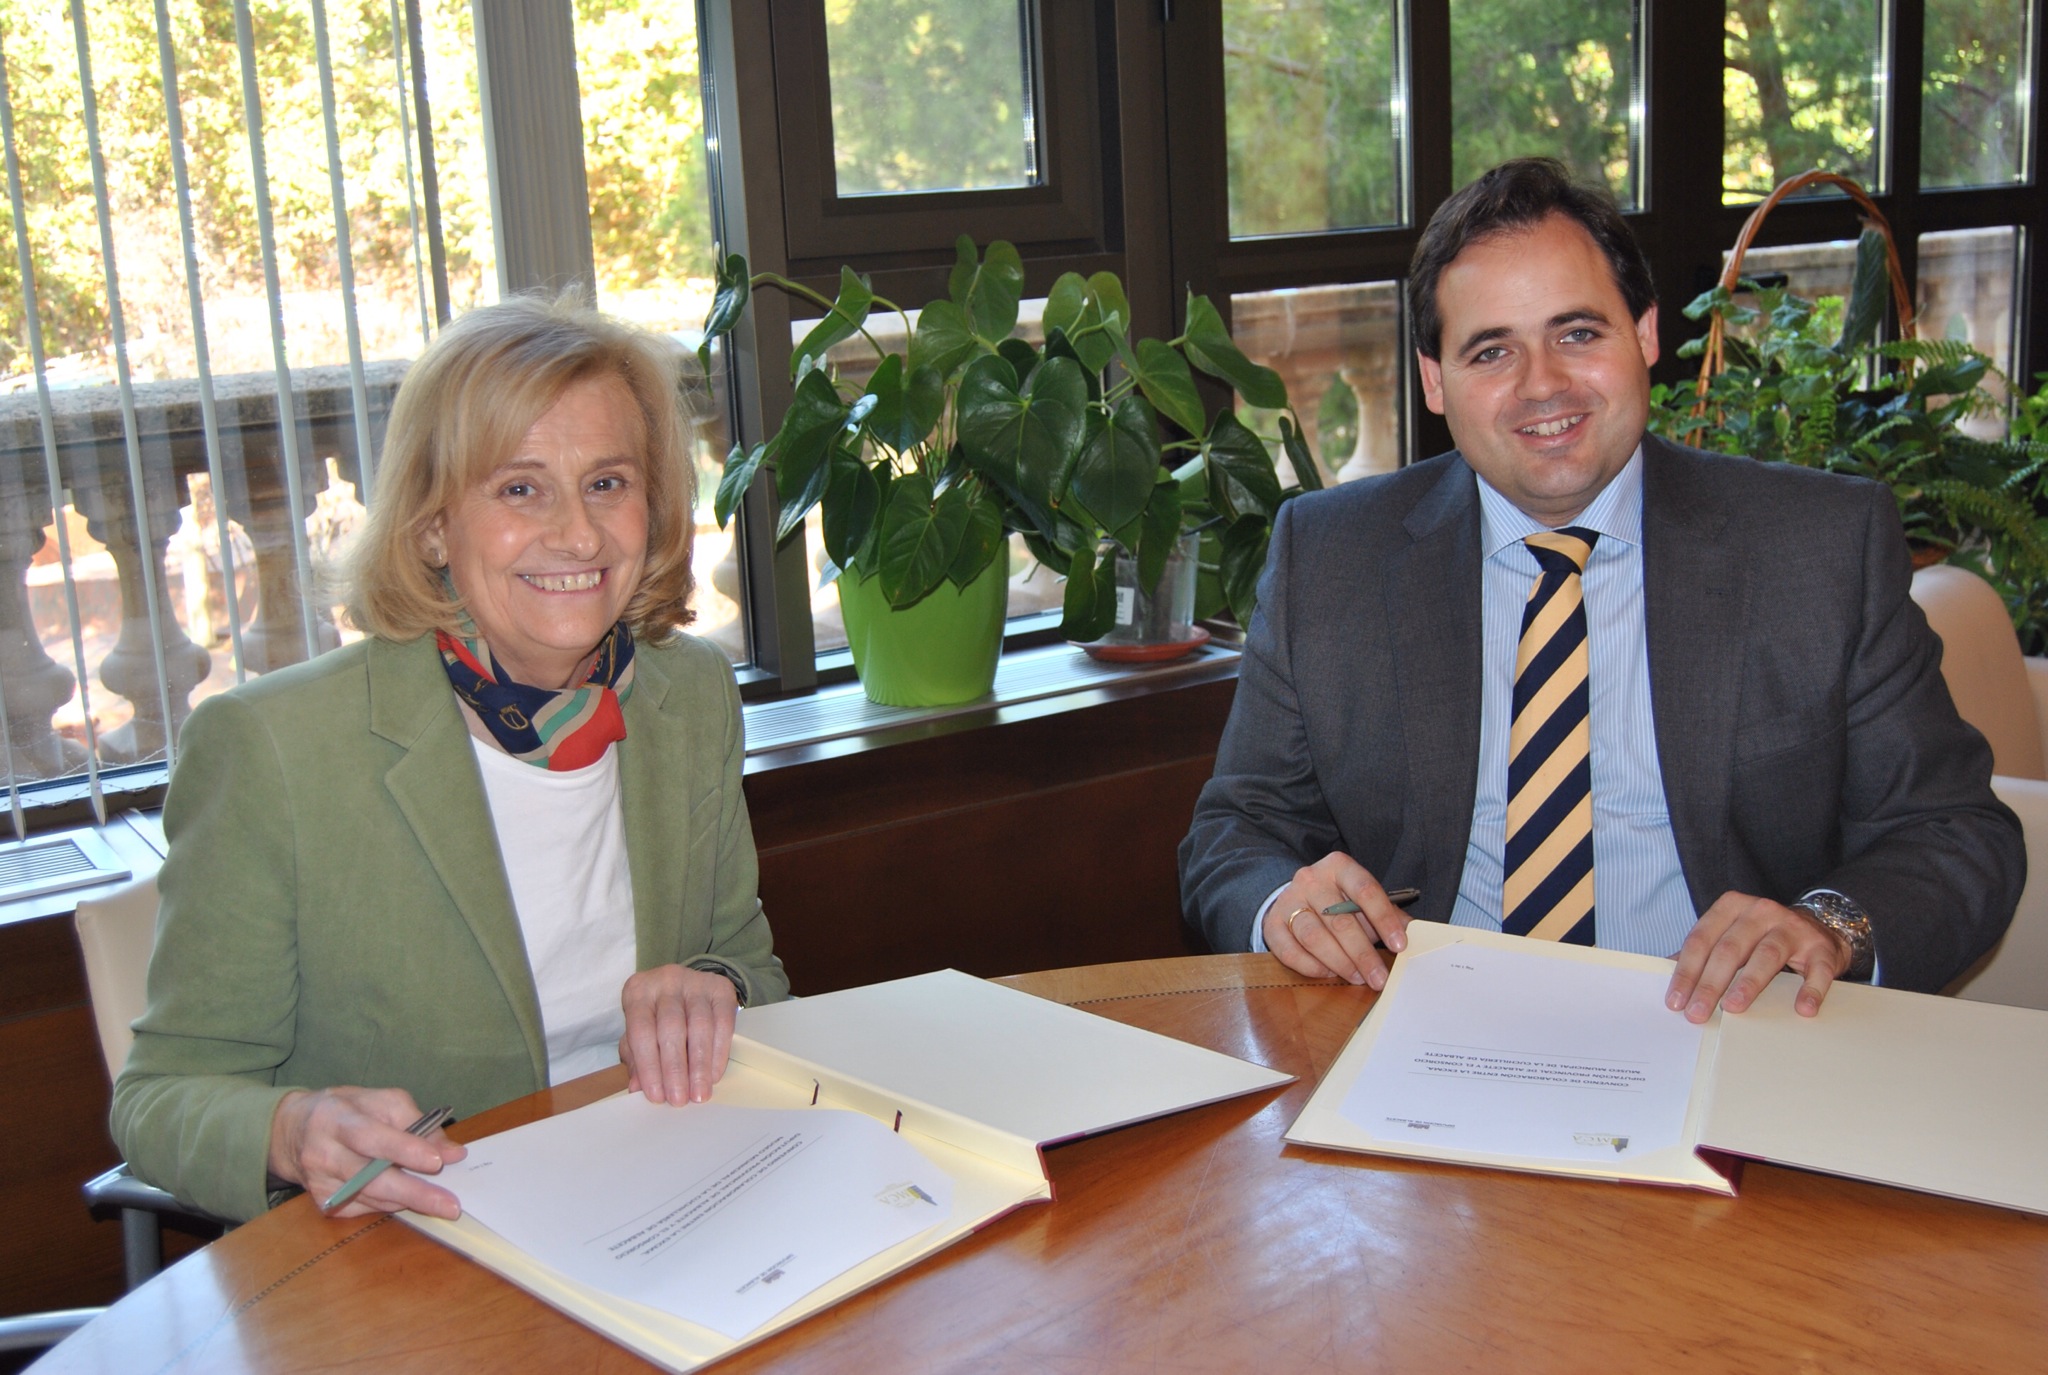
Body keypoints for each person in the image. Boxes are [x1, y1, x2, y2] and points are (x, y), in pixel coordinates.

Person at [1180, 158, 2022, 1022]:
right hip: (1426, 1033)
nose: (1543, 384)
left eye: (1578, 333)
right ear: (1435, 381)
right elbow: (1235, 831)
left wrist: (1825, 925)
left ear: (1645, 335)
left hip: (1728, 1034)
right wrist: (1281, 903)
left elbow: (1955, 832)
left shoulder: (1819, 547)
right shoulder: (1331, 557)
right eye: (1492, 350)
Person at [113, 295, 789, 1225]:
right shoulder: (273, 749)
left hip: (666, 1192)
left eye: (607, 482)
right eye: (520, 489)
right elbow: (160, 1097)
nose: (578, 534)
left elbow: (751, 966)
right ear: (433, 525)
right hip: (418, 1241)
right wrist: (292, 1128)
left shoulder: (691, 692)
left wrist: (716, 989)